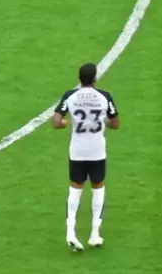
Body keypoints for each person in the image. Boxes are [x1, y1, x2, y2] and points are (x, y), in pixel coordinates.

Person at [52, 62, 120, 251]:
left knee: (75, 188)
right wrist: (104, 122)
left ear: (79, 79)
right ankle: (94, 234)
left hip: (78, 151)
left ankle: (70, 232)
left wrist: (64, 123)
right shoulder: (104, 96)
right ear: (95, 78)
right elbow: (115, 123)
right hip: (96, 151)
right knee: (98, 187)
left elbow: (56, 121)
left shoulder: (70, 96)